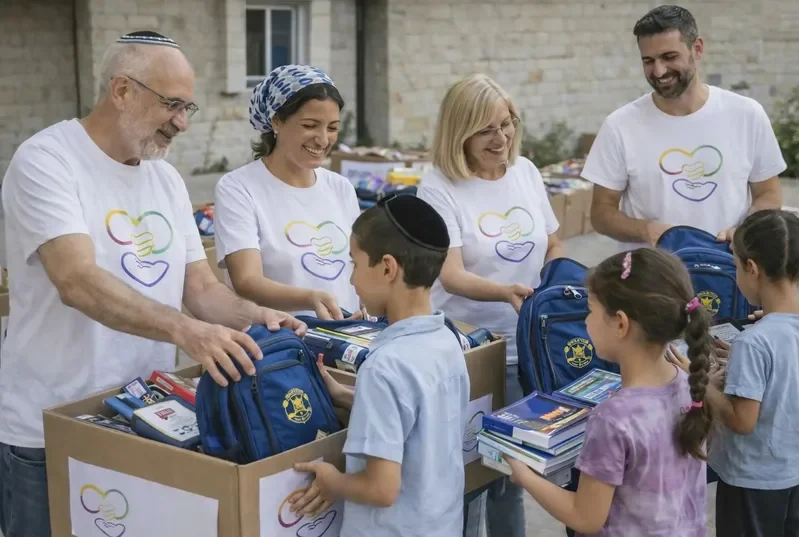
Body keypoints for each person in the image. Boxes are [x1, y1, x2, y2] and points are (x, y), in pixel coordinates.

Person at [0, 31, 305, 537]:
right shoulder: (47, 161)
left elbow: (202, 289)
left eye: (189, 107)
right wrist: (188, 333)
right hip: (47, 427)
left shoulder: (165, 179)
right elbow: (76, 280)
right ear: (122, 91)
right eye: (172, 105)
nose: (182, 123)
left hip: (144, 418)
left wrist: (258, 317)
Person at [416, 73, 565, 537]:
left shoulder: (526, 172)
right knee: (470, 478)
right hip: (471, 353)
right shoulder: (438, 186)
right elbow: (451, 273)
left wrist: (560, 283)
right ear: (459, 132)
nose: (501, 139)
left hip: (527, 348)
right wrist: (505, 292)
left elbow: (553, 243)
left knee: (512, 474)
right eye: (486, 129)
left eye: (507, 124)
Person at [289, 194, 471, 537]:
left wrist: (333, 481)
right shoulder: (445, 340)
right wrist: (348, 396)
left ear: (387, 267)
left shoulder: (384, 366)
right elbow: (419, 420)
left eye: (355, 265)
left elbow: (381, 489)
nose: (352, 280)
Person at [506, 247, 718, 536]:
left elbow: (584, 517)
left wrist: (525, 476)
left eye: (590, 310)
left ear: (620, 323)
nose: (585, 322)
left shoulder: (612, 419)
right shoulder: (687, 382)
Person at [583, 4, 785, 251]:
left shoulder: (746, 114)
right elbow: (601, 214)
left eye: (669, 57)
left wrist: (746, 229)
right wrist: (646, 230)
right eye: (648, 60)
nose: (658, 71)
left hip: (727, 270)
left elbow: (769, 194)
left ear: (697, 48)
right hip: (650, 279)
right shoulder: (619, 125)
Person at [668, 209, 799, 536]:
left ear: (751, 268)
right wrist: (740, 363)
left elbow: (742, 420)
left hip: (752, 481)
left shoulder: (754, 342)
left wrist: (693, 379)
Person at [213, 64, 362, 320]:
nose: (323, 140)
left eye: (333, 128)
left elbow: (359, 265)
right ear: (276, 121)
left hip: (343, 337)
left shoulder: (341, 188)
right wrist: (309, 299)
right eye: (310, 125)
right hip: (281, 343)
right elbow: (246, 280)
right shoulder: (239, 188)